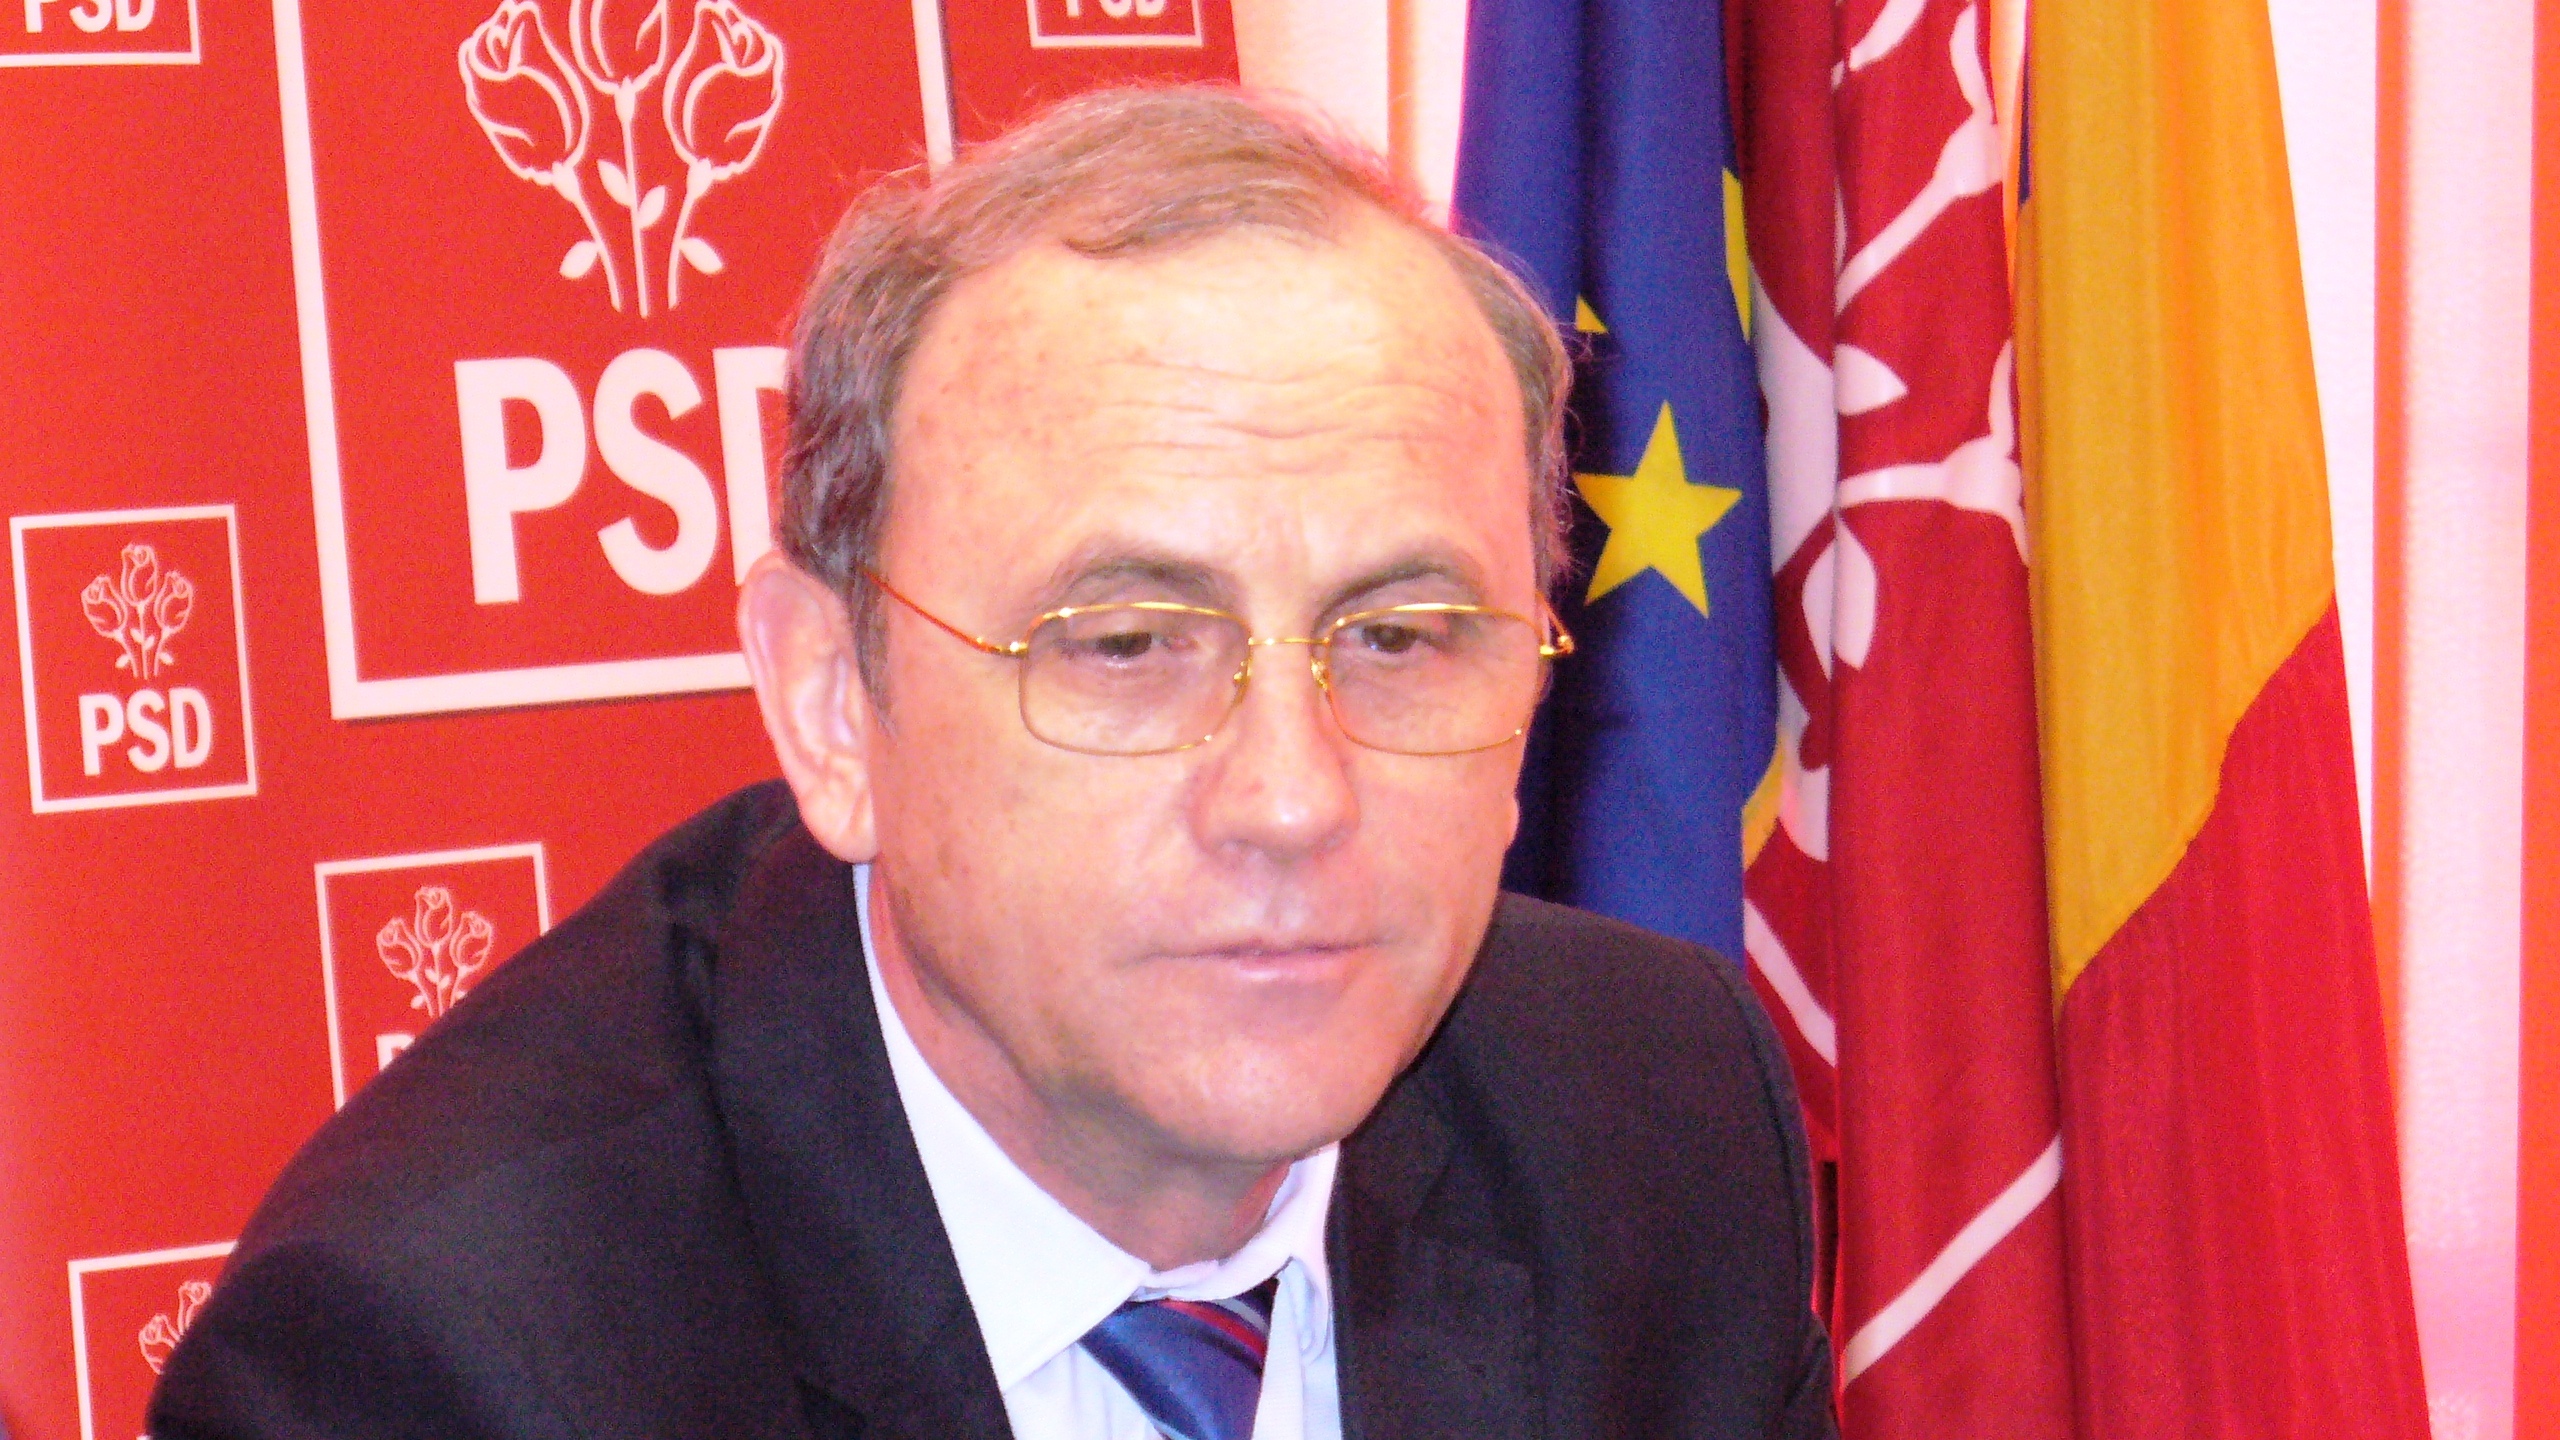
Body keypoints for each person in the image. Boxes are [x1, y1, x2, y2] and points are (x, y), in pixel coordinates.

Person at [149, 87, 1835, 1440]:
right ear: (833, 705)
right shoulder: (443, 1357)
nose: (1290, 799)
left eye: (1401, 639)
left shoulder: (1651, 1118)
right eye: (1127, 645)